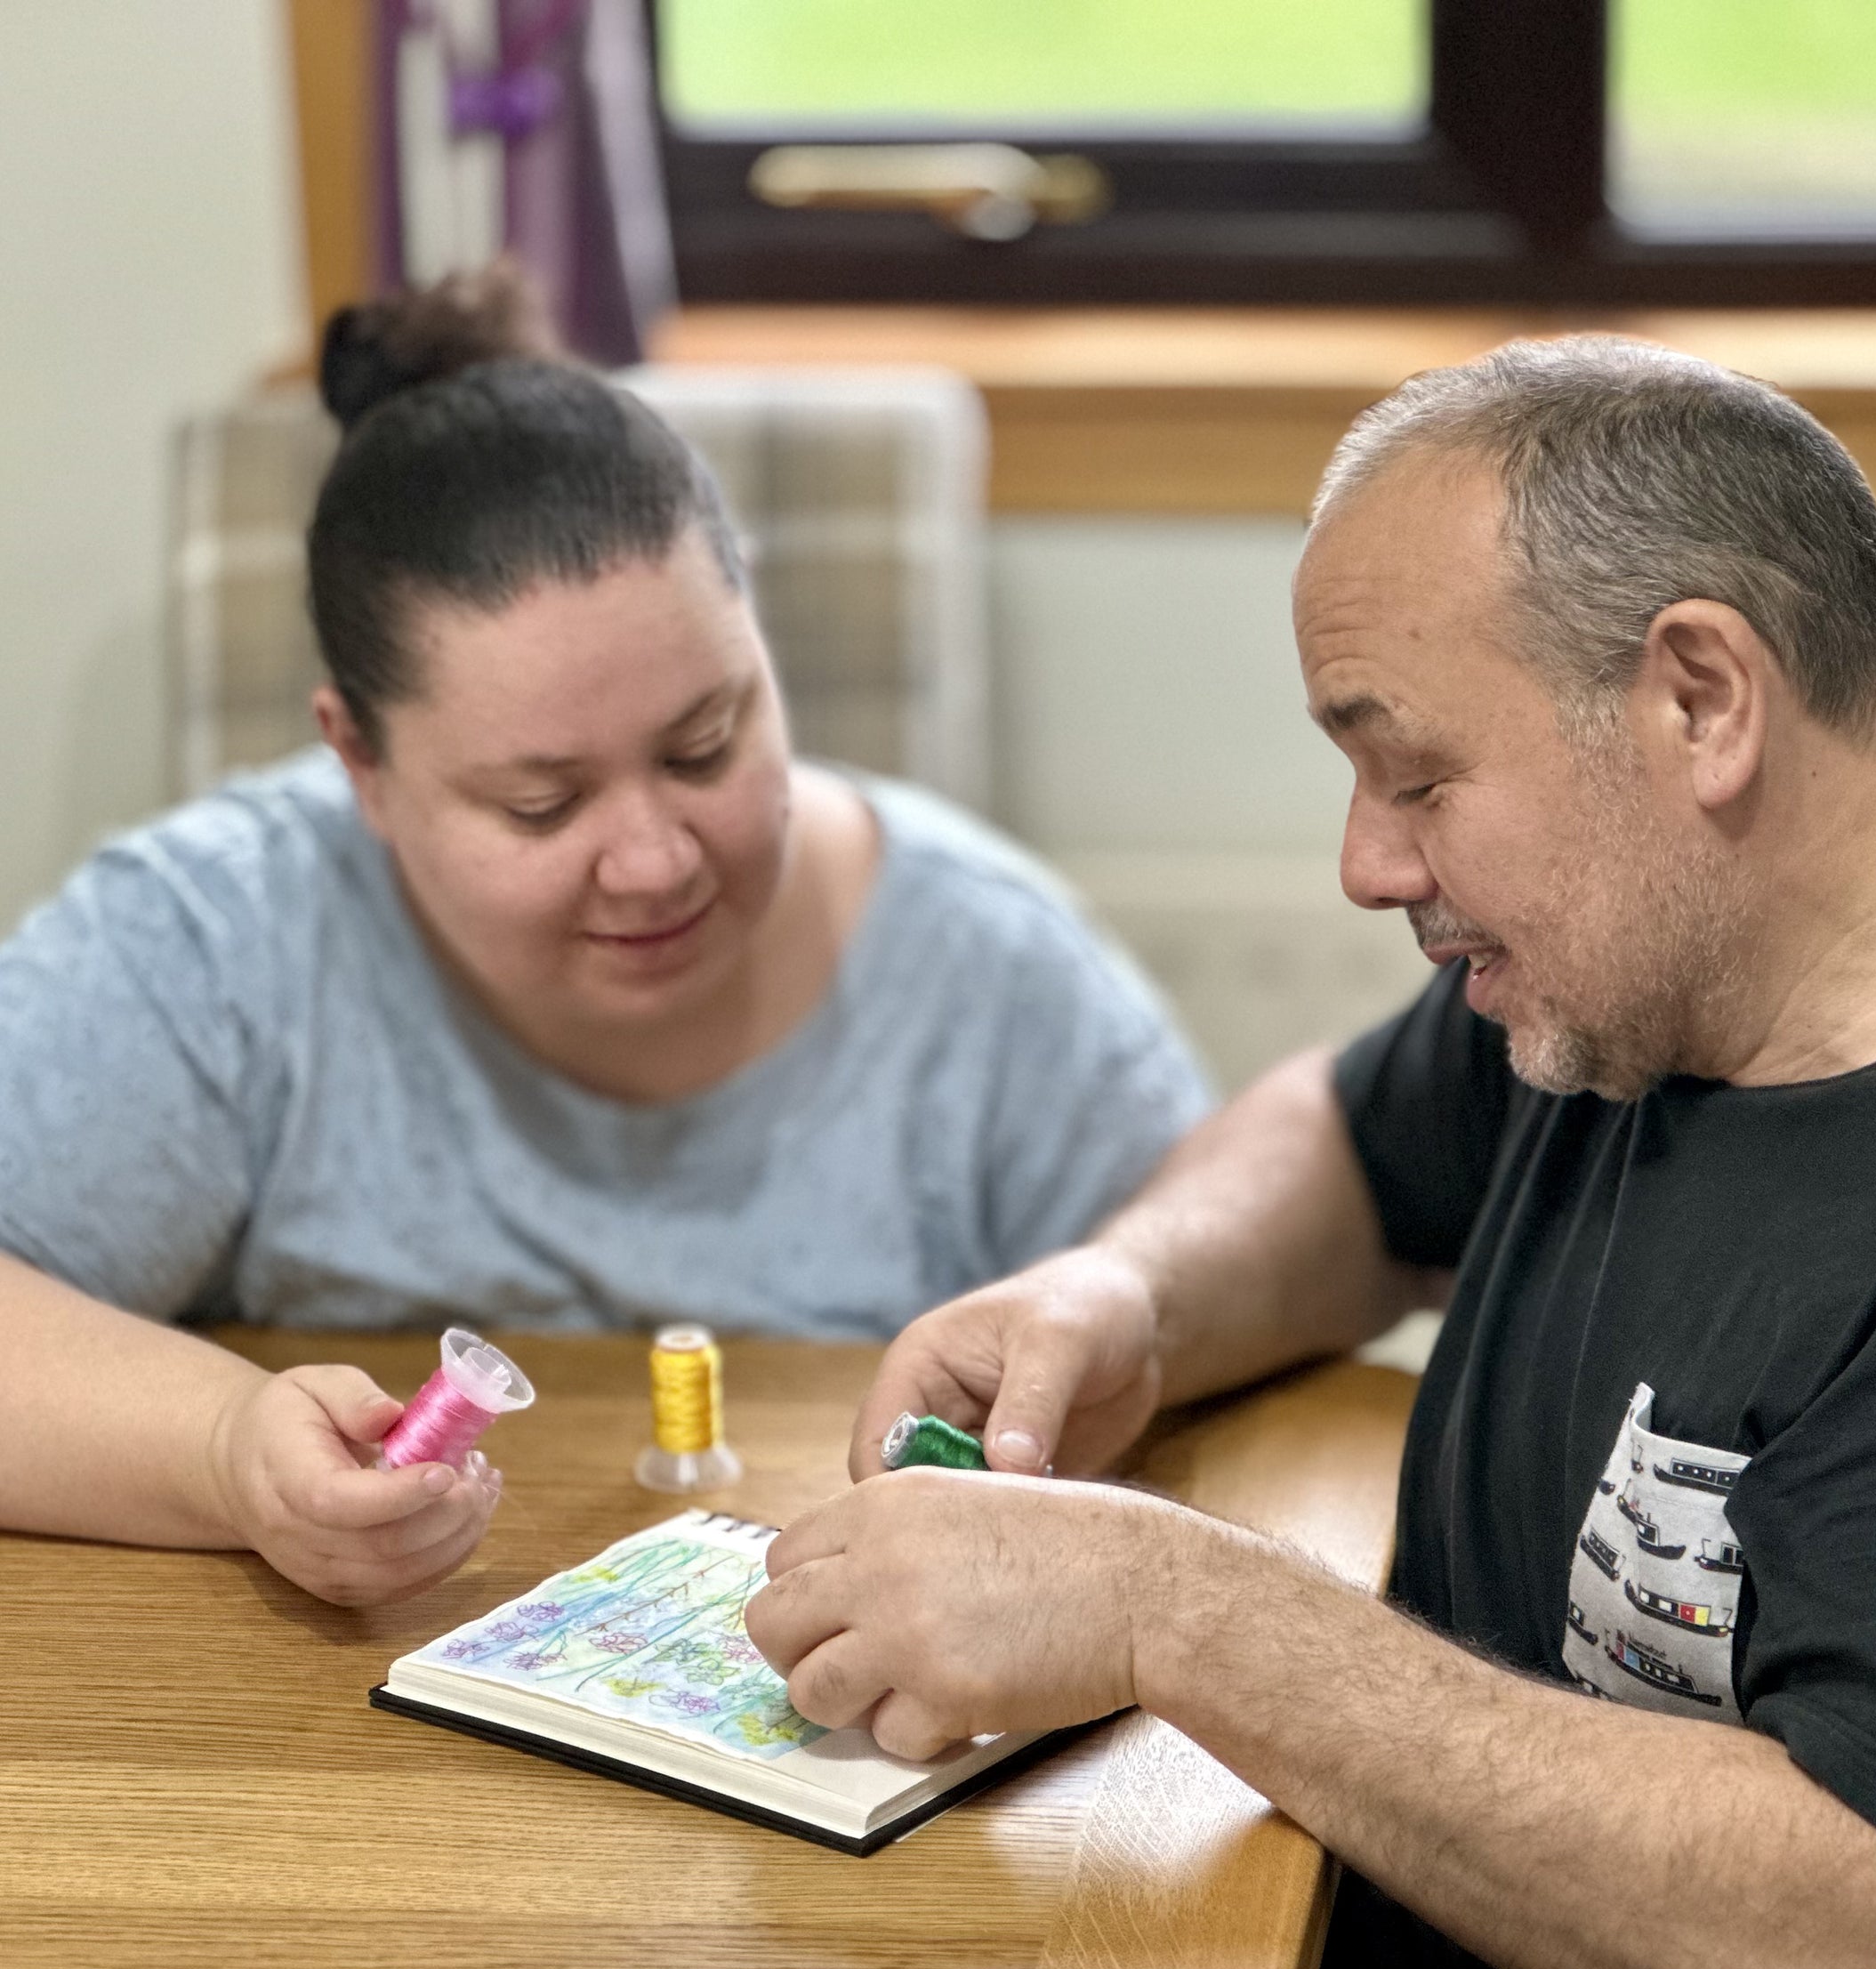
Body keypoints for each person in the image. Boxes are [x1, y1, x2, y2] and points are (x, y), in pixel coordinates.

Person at [745, 337, 1876, 1969]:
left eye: (1415, 778)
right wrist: (1122, 1298)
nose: (1366, 863)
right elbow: (1347, 1148)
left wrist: (1174, 1611)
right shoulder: (1652, 975)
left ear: (1702, 699)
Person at [0, 265, 1207, 1610]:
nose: (651, 862)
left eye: (708, 745)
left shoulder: (997, 983)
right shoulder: (218, 941)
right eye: (542, 802)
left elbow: (1213, 1343)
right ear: (361, 764)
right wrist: (225, 1450)